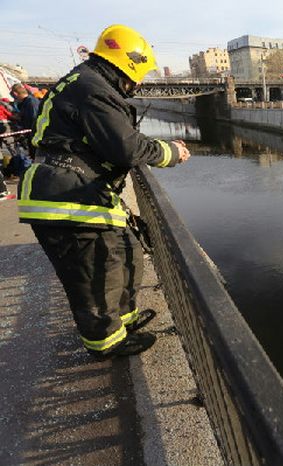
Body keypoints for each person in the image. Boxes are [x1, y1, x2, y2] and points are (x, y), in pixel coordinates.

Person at [17, 24, 191, 359]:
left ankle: (123, 320)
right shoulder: (94, 90)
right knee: (95, 273)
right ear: (130, 64)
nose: (138, 84)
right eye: (140, 74)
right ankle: (107, 344)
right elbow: (127, 148)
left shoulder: (86, 82)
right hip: (67, 198)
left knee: (125, 255)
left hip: (79, 192)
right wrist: (171, 152)